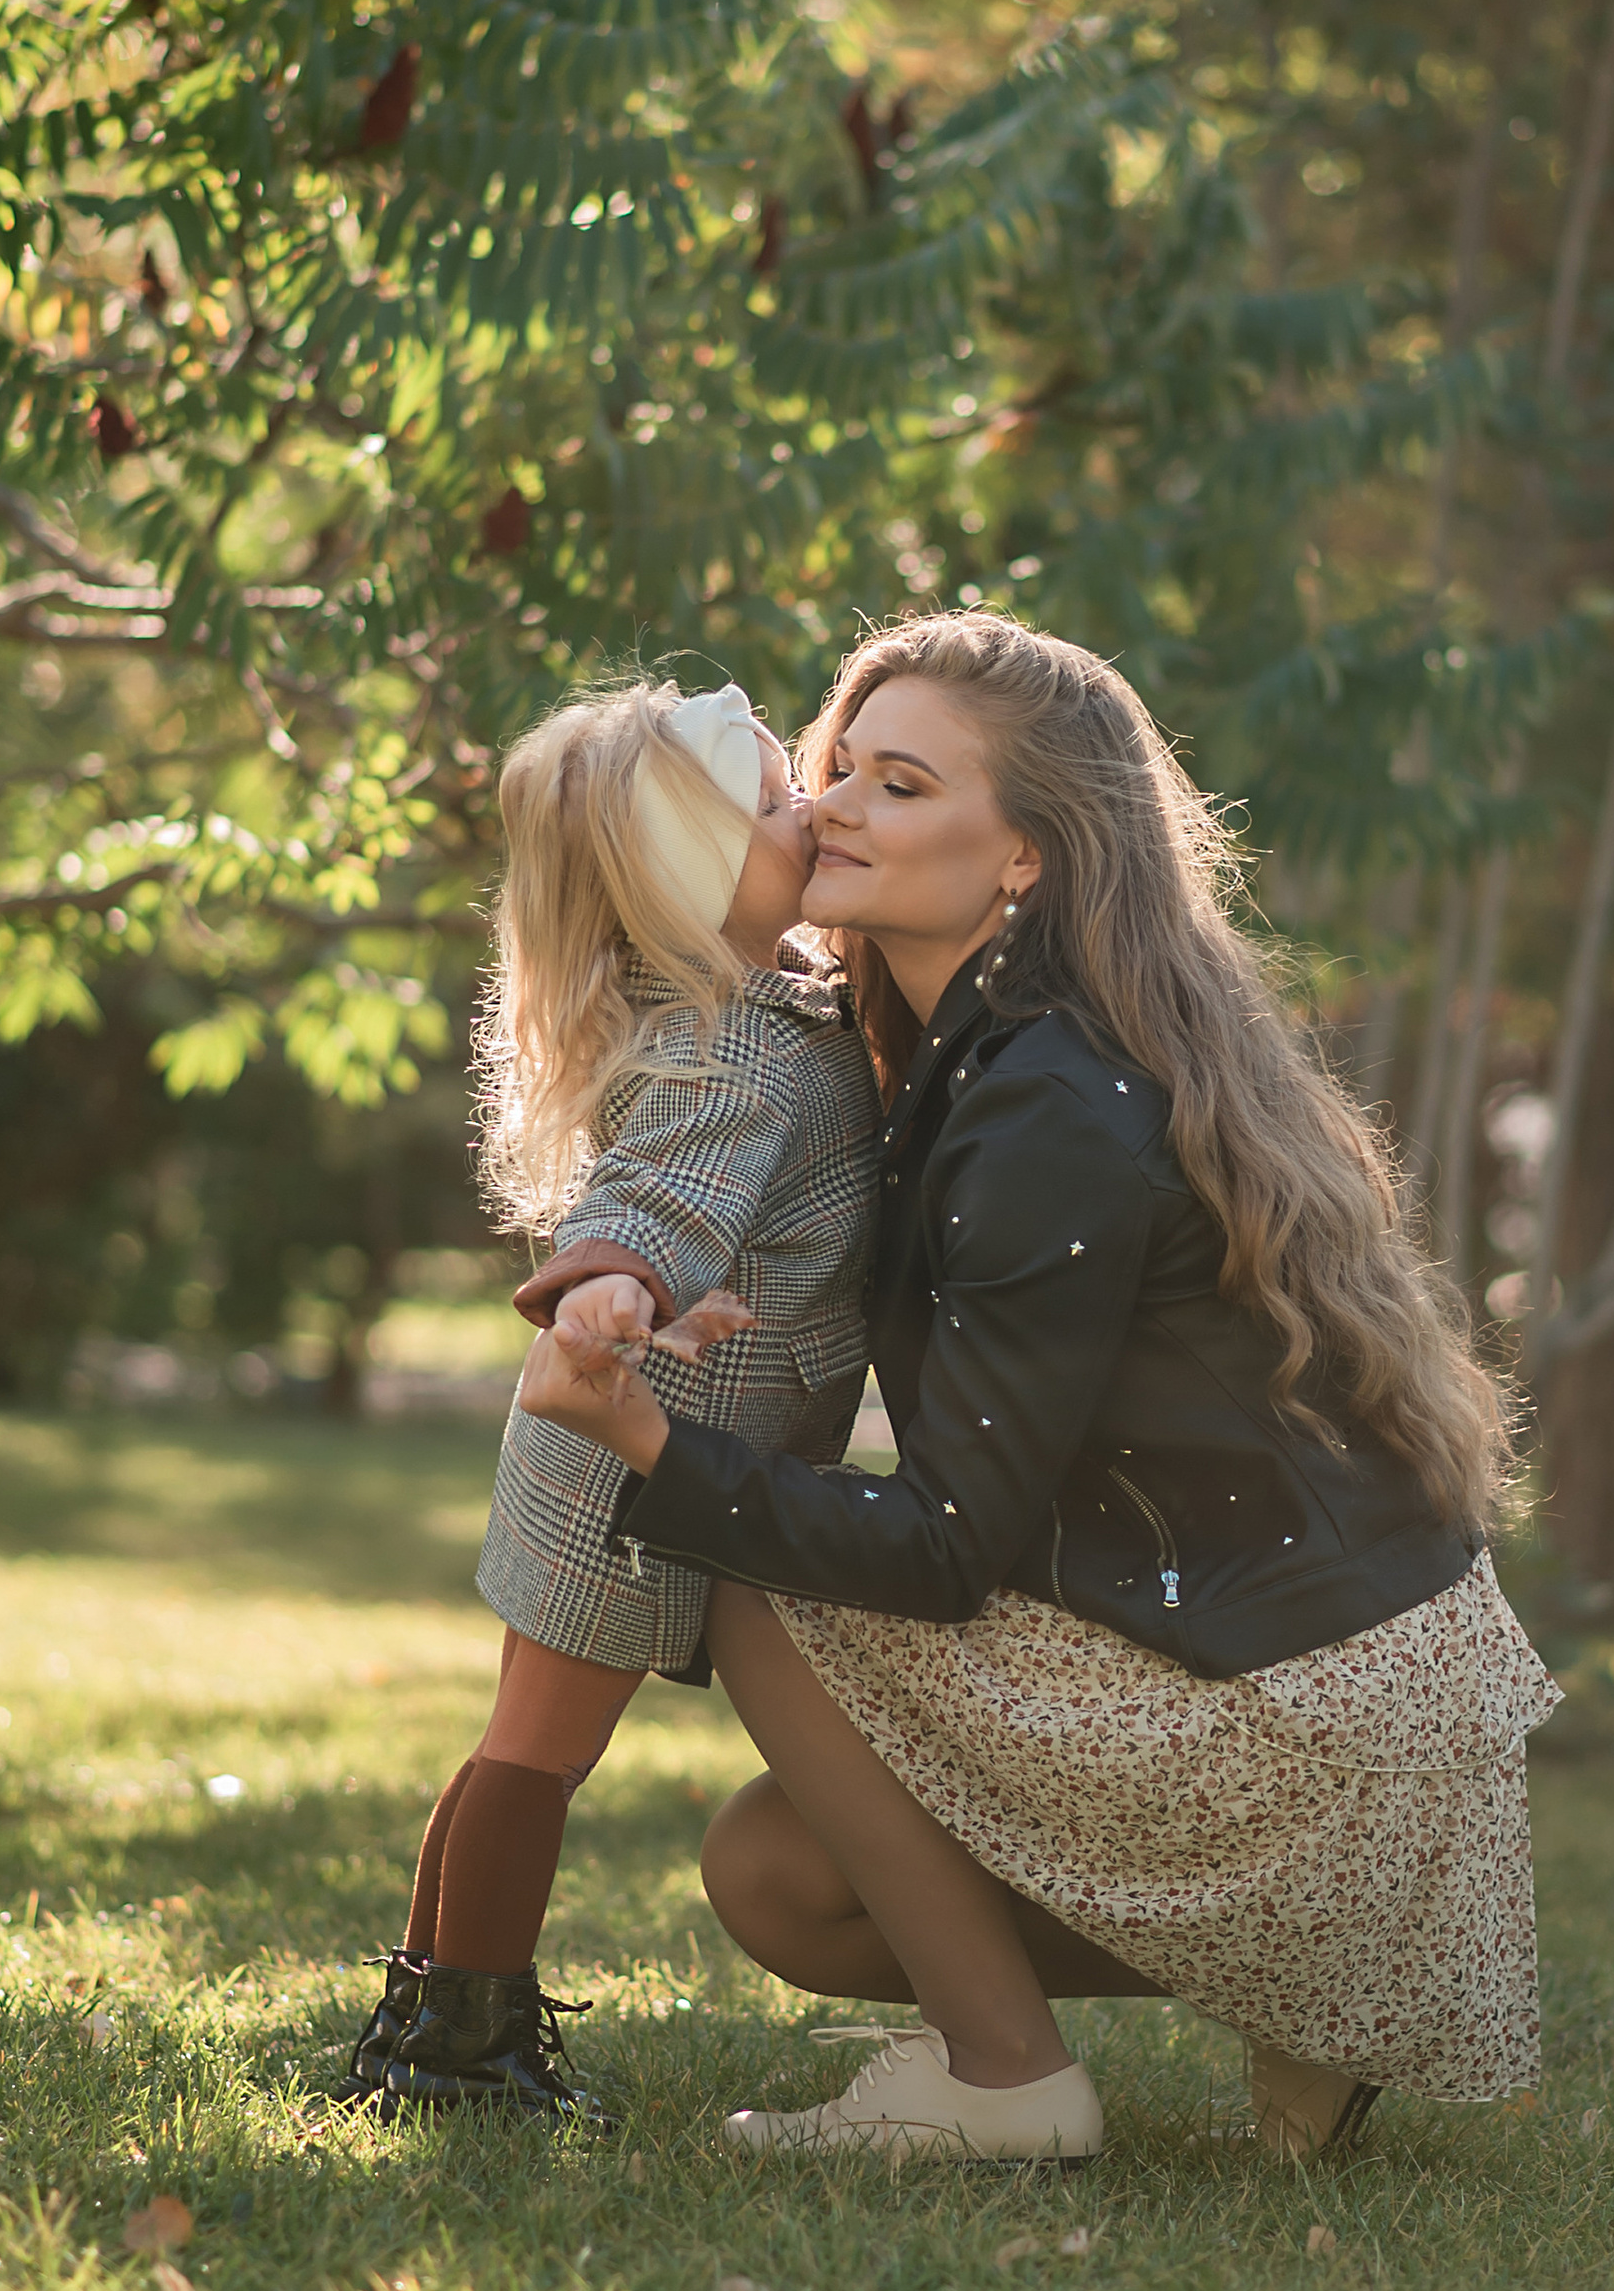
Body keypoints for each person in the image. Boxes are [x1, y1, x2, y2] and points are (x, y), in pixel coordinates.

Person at [520, 611, 1559, 2167]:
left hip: (1316, 1755)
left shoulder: (1046, 1107)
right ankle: (1306, 1994)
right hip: (1365, 1759)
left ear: (1027, 857)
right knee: (774, 1873)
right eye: (840, 770)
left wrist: (653, 1441)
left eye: (905, 786)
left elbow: (949, 1548)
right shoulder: (1014, 1052)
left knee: (743, 1578)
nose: (838, 809)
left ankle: (1008, 2081)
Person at [343, 675, 879, 2128]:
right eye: (776, 804)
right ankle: (461, 2051)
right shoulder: (738, 1044)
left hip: (622, 1435)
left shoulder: (760, 1004)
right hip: (621, 1459)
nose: (812, 807)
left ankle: (429, 2016)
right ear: (696, 881)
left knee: (516, 1737)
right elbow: (665, 1192)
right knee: (538, 1751)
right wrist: (619, 1284)